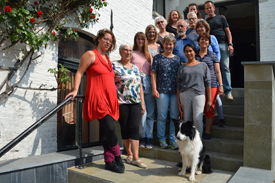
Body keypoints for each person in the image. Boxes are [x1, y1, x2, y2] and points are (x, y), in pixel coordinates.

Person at [65, 29, 124, 173]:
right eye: (105, 39)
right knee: (110, 128)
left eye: (110, 41)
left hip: (110, 99)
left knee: (105, 131)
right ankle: (117, 156)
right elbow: (79, 72)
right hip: (98, 98)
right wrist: (75, 90)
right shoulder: (91, 55)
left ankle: (108, 161)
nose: (107, 42)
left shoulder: (107, 58)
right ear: (98, 39)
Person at [112, 43, 147, 168]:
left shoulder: (135, 68)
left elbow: (140, 85)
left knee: (134, 128)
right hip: (121, 102)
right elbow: (110, 83)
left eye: (130, 50)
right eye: (126, 50)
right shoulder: (114, 65)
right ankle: (129, 153)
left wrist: (142, 102)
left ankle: (136, 158)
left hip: (136, 102)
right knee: (125, 127)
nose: (128, 52)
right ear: (121, 52)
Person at [176, 43, 212, 138]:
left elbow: (208, 82)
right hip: (185, 94)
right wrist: (178, 100)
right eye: (186, 51)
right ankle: (187, 142)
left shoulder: (203, 65)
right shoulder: (182, 67)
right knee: (186, 119)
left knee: (197, 119)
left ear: (195, 52)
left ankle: (198, 142)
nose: (188, 53)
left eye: (190, 51)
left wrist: (210, 100)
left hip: (199, 94)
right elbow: (178, 84)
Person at [151, 35, 180, 149]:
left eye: (171, 44)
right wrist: (154, 88)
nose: (168, 46)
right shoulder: (158, 58)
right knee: (162, 116)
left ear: (173, 45)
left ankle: (173, 140)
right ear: (163, 45)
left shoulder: (177, 59)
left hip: (174, 91)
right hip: (161, 90)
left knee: (174, 116)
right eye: (166, 44)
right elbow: (153, 73)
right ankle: (162, 139)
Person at [195, 19, 226, 127]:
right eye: (198, 27)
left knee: (213, 101)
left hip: (212, 78)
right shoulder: (195, 49)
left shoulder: (212, 39)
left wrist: (215, 60)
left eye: (202, 27)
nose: (200, 28)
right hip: (199, 83)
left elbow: (217, 52)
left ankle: (221, 118)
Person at [205, 1, 234, 100]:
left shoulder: (221, 18)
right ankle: (217, 89)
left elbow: (227, 31)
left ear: (213, 8)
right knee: (214, 69)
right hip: (212, 47)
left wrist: (230, 44)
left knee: (225, 67)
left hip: (223, 45)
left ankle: (228, 91)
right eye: (207, 8)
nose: (209, 9)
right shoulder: (206, 21)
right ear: (205, 10)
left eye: (210, 7)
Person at [130, 32, 155, 150]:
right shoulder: (132, 54)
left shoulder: (148, 55)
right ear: (135, 40)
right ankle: (142, 136)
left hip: (148, 83)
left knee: (150, 112)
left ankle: (149, 137)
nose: (140, 41)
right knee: (141, 112)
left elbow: (152, 72)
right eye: (138, 39)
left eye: (142, 39)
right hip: (136, 84)